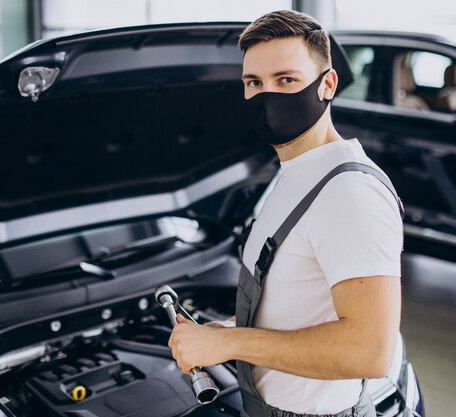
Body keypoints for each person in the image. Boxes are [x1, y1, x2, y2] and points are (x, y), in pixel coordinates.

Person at [168, 10, 404, 417]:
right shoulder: (296, 172)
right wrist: (226, 329)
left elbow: (369, 350)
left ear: (327, 84)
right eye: (254, 83)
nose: (268, 96)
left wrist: (232, 343)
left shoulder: (348, 193)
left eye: (287, 80)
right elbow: (298, 297)